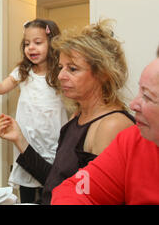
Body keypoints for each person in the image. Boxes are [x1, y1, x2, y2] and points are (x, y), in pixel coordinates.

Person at [0, 19, 135, 204]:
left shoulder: (110, 126)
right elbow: (56, 183)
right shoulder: (77, 118)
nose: (61, 76)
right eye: (61, 67)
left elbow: (93, 198)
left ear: (102, 74)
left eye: (72, 69)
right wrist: (19, 139)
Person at [0, 19, 68, 203]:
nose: (31, 48)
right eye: (27, 44)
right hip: (26, 146)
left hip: (52, 147)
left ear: (52, 43)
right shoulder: (23, 71)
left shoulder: (60, 74)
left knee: (53, 194)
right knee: (27, 196)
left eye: (38, 43)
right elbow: (0, 88)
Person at [51, 55, 159, 204]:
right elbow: (75, 188)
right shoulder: (132, 139)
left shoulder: (112, 125)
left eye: (147, 96)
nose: (133, 104)